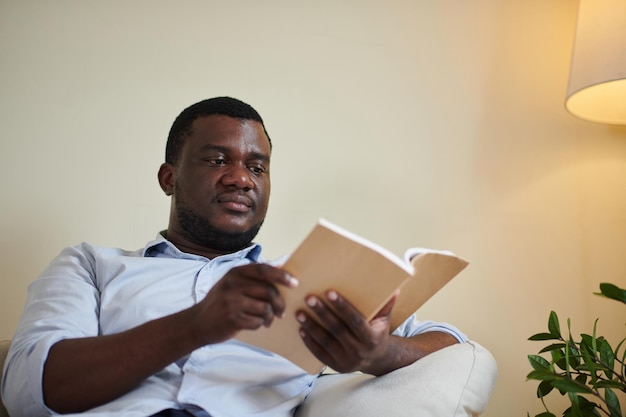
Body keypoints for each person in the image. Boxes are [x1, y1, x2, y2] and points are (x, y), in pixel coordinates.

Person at [1, 97, 467, 417]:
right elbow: (28, 388)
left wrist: (378, 351)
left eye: (256, 166)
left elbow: (450, 343)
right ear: (168, 177)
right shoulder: (91, 266)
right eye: (217, 160)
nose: (241, 178)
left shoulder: (305, 278)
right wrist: (198, 324)